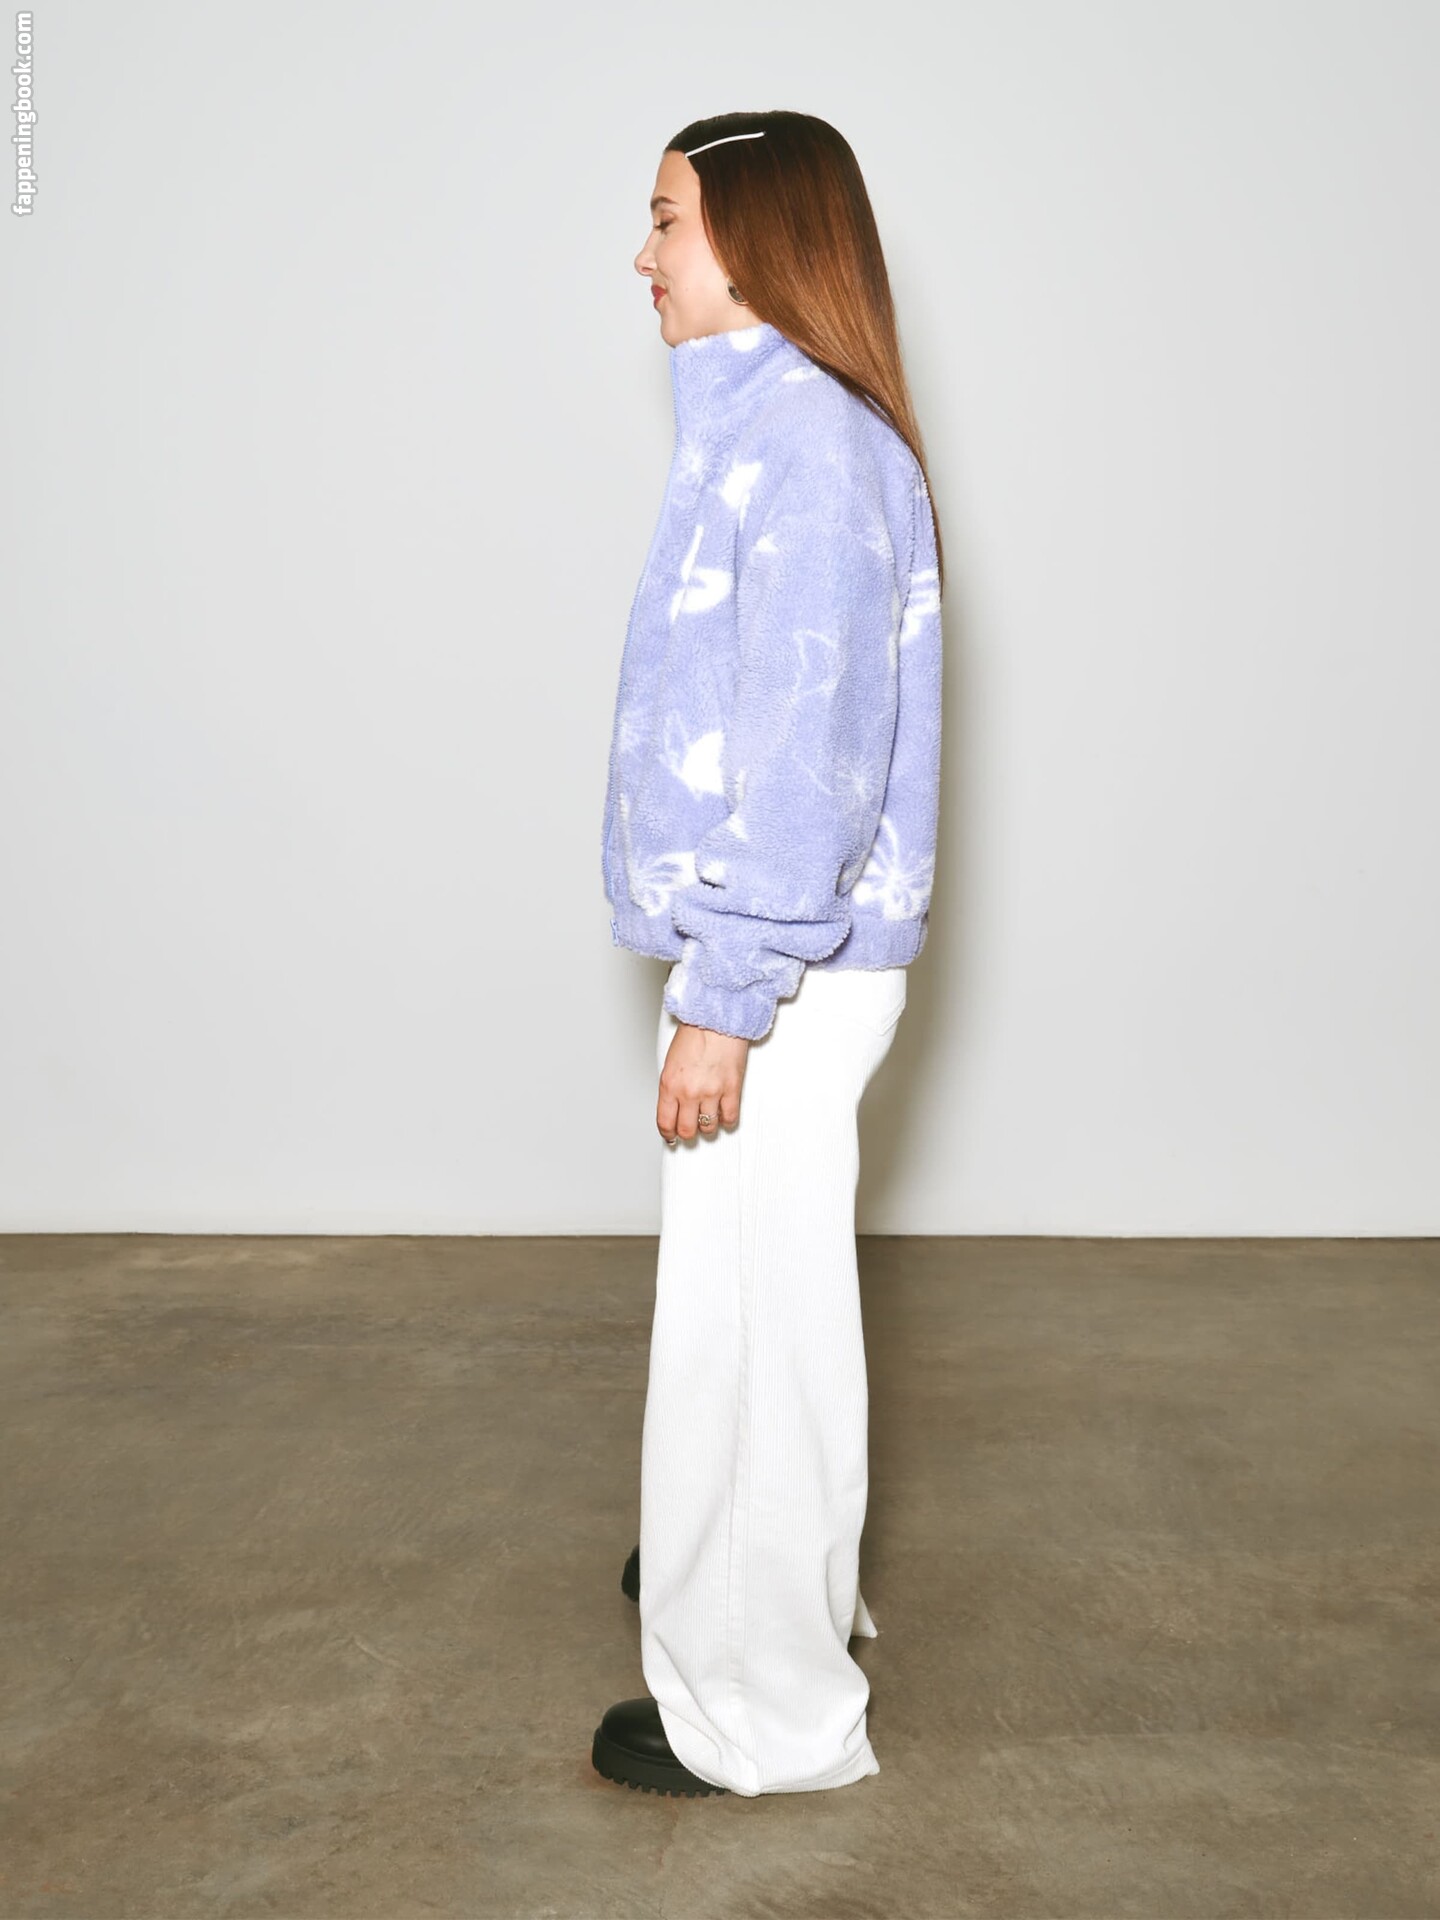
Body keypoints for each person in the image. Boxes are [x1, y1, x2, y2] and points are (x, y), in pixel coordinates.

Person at [590, 109, 944, 1799]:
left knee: (753, 1336)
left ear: (753, 238)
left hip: (782, 972)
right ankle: (744, 1586)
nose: (642, 253)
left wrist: (727, 999)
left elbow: (807, 767)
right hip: (777, 960)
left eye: (666, 218)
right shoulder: (770, 426)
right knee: (752, 1319)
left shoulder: (807, 449)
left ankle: (767, 1716)